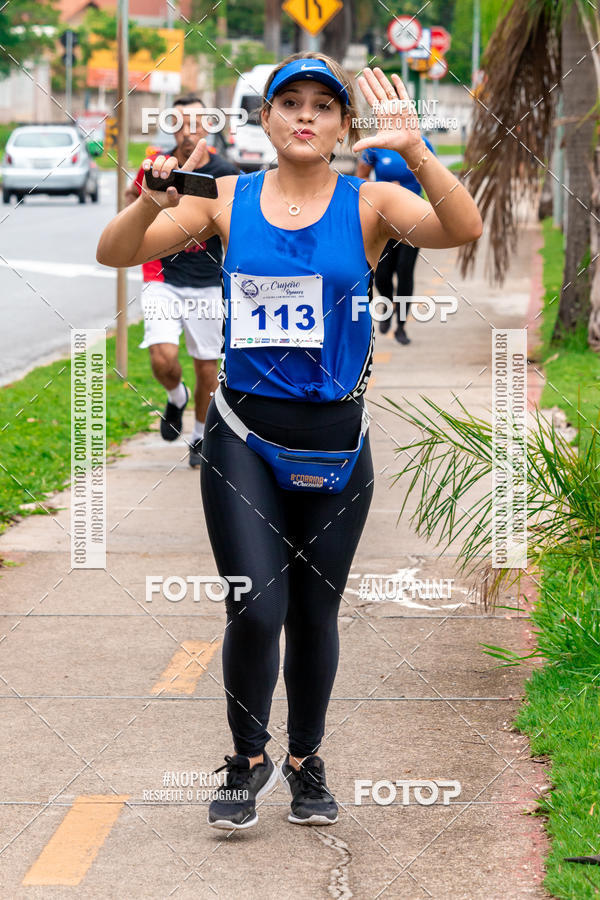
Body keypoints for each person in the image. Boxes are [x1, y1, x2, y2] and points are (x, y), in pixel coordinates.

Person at [97, 53, 482, 831]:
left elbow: (462, 228)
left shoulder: (371, 201)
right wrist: (148, 202)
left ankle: (307, 761)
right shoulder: (226, 200)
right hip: (244, 436)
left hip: (337, 442)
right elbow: (115, 252)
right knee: (256, 606)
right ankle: (246, 760)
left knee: (314, 613)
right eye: (290, 102)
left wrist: (415, 150)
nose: (306, 115)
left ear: (343, 126)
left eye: (323, 105)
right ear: (266, 119)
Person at [124, 94, 238, 467]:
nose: (188, 131)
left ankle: (200, 435)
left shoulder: (226, 173)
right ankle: (176, 396)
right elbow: (131, 208)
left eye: (196, 123)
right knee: (163, 358)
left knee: (207, 367)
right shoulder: (158, 167)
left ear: (209, 126)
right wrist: (136, 204)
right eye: (180, 123)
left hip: (209, 280)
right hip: (163, 275)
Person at [356, 136, 436, 344]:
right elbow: (361, 179)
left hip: (413, 219)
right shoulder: (375, 146)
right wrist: (384, 191)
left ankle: (401, 326)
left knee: (404, 271)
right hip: (383, 221)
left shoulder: (421, 143)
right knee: (382, 273)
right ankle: (388, 304)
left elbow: (432, 180)